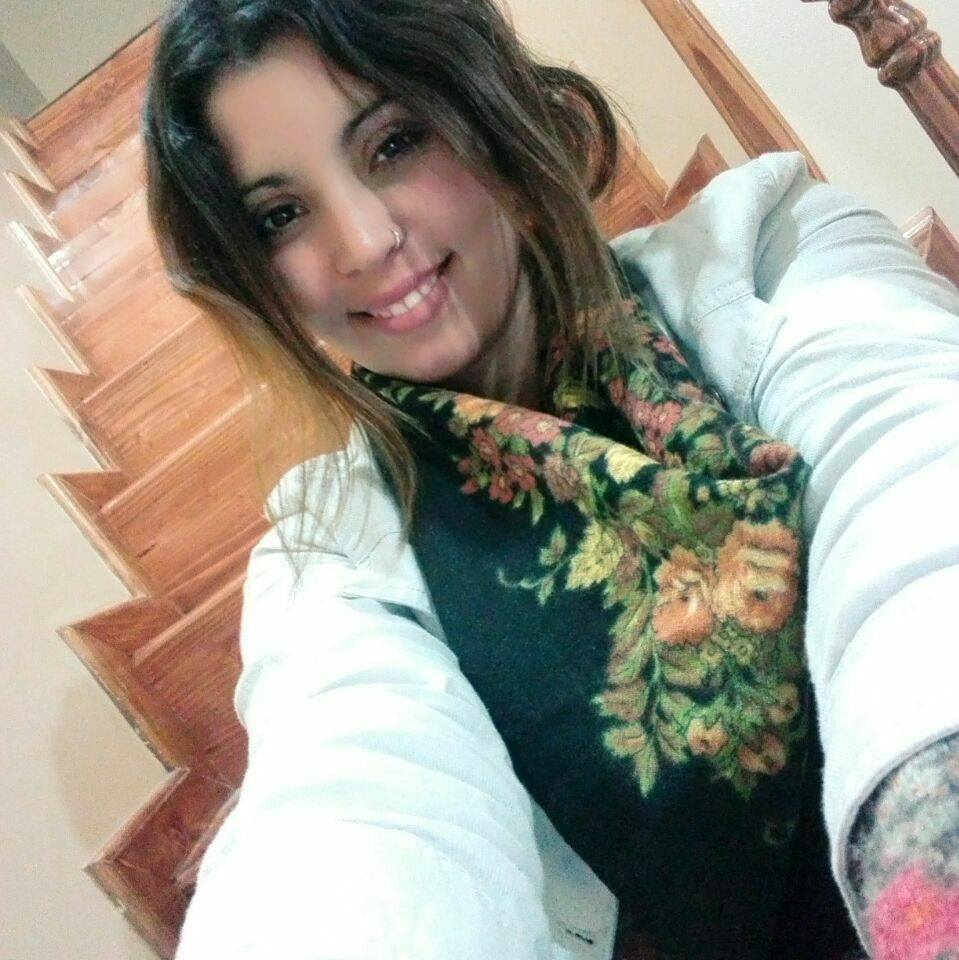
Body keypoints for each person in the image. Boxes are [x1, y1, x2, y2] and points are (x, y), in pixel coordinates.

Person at [141, 1, 959, 958]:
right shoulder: (329, 556)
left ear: (488, 112)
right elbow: (351, 798)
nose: (362, 243)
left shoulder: (769, 250)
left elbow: (908, 462)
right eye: (281, 216)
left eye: (393, 143)